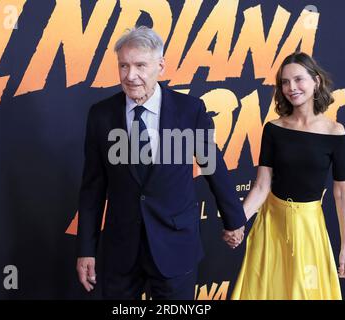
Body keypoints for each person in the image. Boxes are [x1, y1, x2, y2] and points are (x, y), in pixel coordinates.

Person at [76, 26, 246, 300]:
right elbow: (92, 189)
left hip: (176, 244)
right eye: (124, 66)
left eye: (140, 65)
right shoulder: (101, 116)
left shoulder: (189, 110)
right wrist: (86, 248)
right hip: (122, 250)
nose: (131, 76)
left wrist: (234, 219)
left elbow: (212, 164)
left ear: (161, 66)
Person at [228, 52, 345, 300]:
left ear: (316, 81)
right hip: (270, 225)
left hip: (309, 227)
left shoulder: (334, 132)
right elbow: (262, 187)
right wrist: (237, 222)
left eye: (298, 79)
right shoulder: (274, 129)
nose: (291, 88)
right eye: (284, 82)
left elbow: (342, 192)